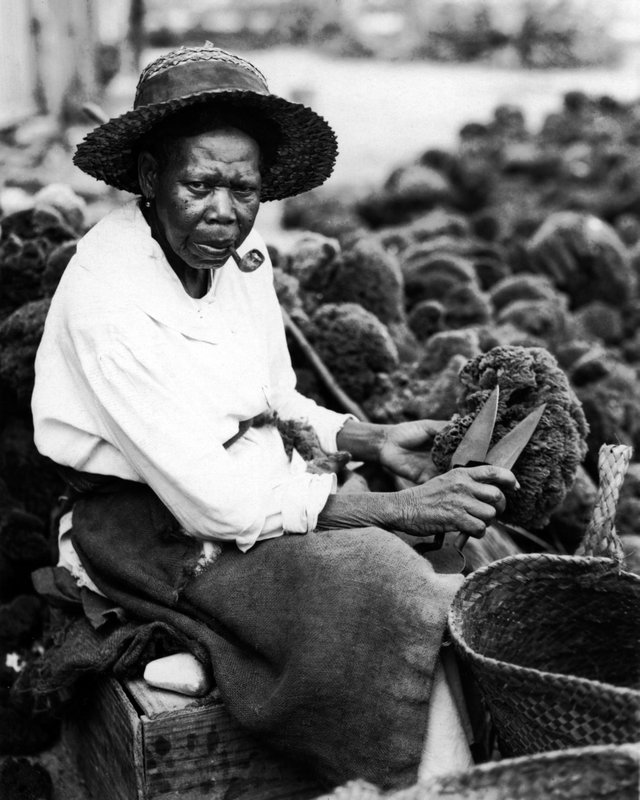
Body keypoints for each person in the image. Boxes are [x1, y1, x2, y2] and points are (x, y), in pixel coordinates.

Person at [31, 44, 516, 790]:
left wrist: (369, 438)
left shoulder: (237, 257)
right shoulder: (111, 301)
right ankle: (426, 781)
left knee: (452, 554)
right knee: (385, 575)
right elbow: (215, 502)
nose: (224, 213)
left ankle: (441, 774)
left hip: (253, 486)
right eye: (199, 185)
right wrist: (394, 510)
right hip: (145, 525)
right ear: (149, 177)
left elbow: (274, 397)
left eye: (244, 189)